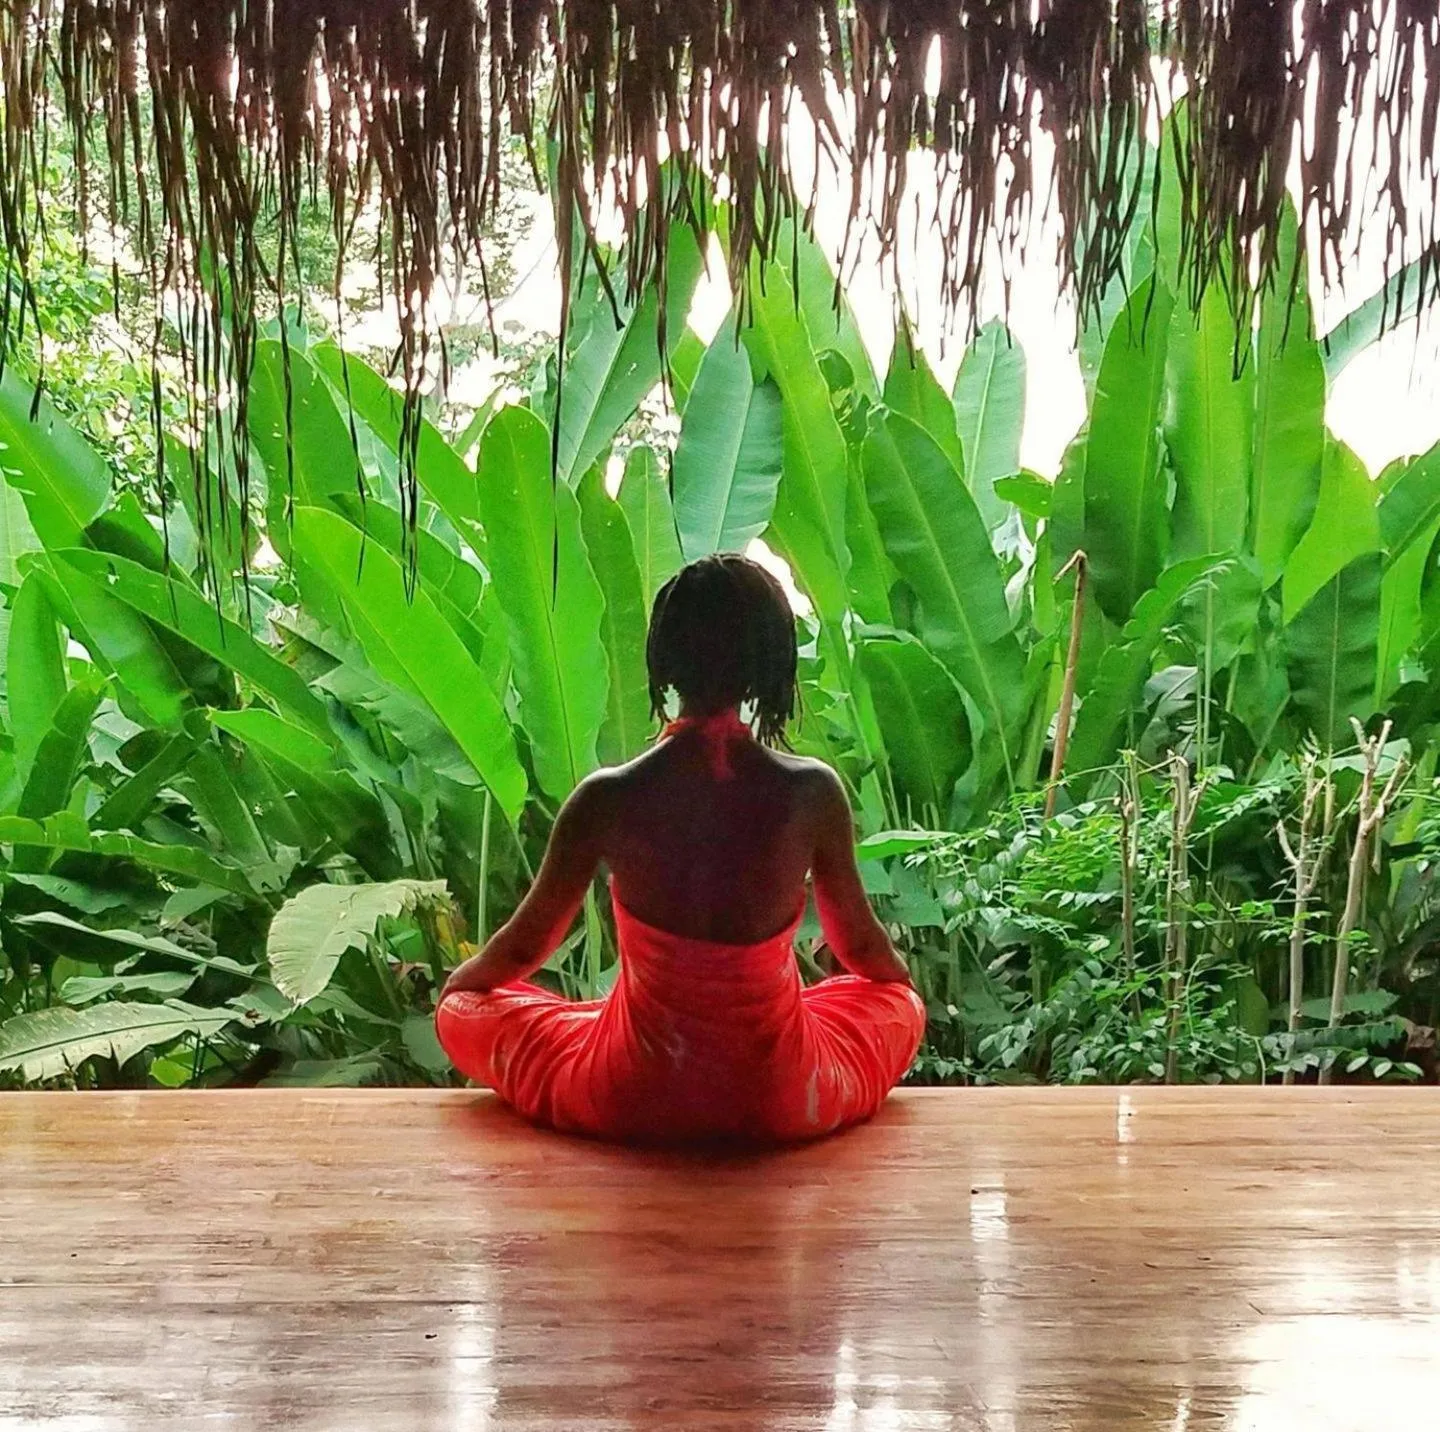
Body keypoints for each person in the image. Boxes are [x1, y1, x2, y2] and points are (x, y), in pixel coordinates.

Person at [435, 553, 925, 1145]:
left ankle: (604, 1031)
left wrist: (458, 988)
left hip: (630, 1095)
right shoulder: (812, 793)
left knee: (465, 1013)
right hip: (779, 1100)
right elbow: (860, 946)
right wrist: (902, 992)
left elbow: (523, 947)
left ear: (664, 659)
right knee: (891, 1006)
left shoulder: (607, 797)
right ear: (770, 663)